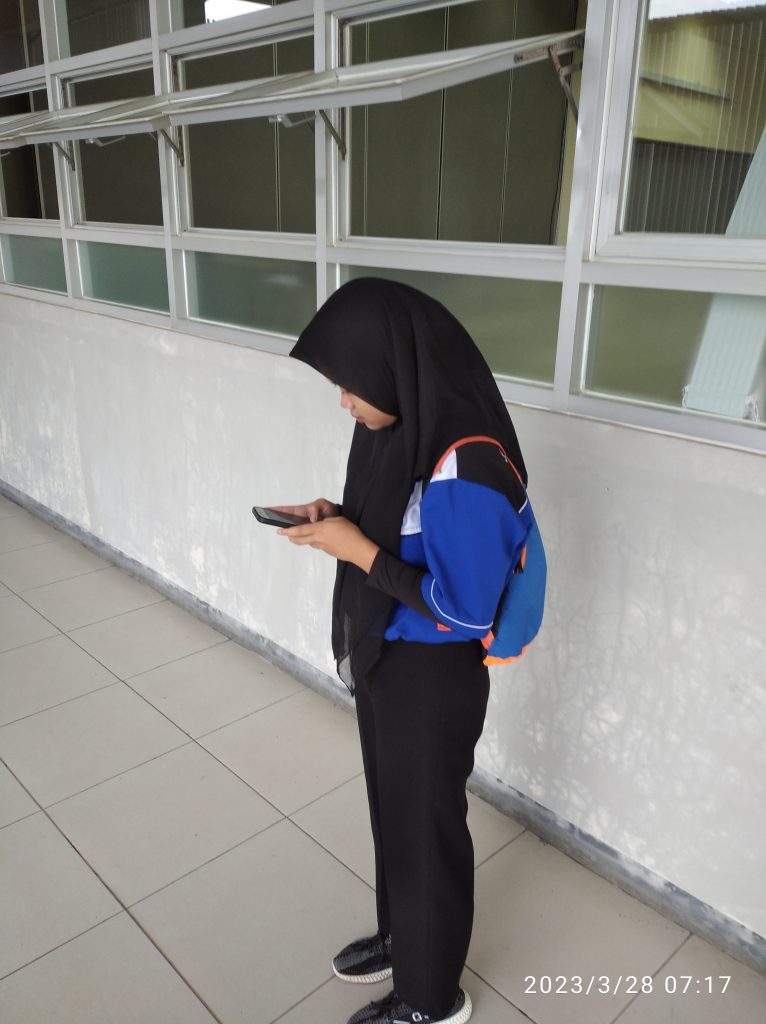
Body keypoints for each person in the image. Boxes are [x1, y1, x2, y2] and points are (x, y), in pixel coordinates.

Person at [273, 277, 530, 1024]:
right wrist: (336, 516)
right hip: (388, 654)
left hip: (433, 675)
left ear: (393, 368)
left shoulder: (467, 463)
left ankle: (430, 998)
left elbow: (465, 607)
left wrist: (354, 550)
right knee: (393, 813)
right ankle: (404, 939)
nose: (344, 402)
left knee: (425, 830)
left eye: (351, 385)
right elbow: (399, 525)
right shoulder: (400, 431)